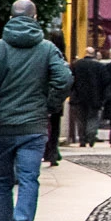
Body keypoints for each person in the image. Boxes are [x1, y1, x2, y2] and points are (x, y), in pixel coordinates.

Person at [0, 0, 72, 221]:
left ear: (11, 17)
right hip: (33, 126)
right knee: (29, 180)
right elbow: (64, 79)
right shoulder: (47, 49)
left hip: (2, 127)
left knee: (3, 182)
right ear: (35, 18)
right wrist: (49, 104)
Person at [68, 43, 105, 147]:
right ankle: (91, 134)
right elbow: (105, 82)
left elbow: (70, 80)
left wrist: (70, 92)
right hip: (95, 97)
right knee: (92, 117)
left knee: (80, 119)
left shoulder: (76, 65)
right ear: (93, 54)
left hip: (78, 96)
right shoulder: (99, 66)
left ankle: (82, 139)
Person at [44, 29, 68, 165]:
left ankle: (49, 151)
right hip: (57, 98)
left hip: (45, 96)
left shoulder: (46, 52)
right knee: (55, 126)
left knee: (46, 126)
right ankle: (53, 151)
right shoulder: (61, 56)